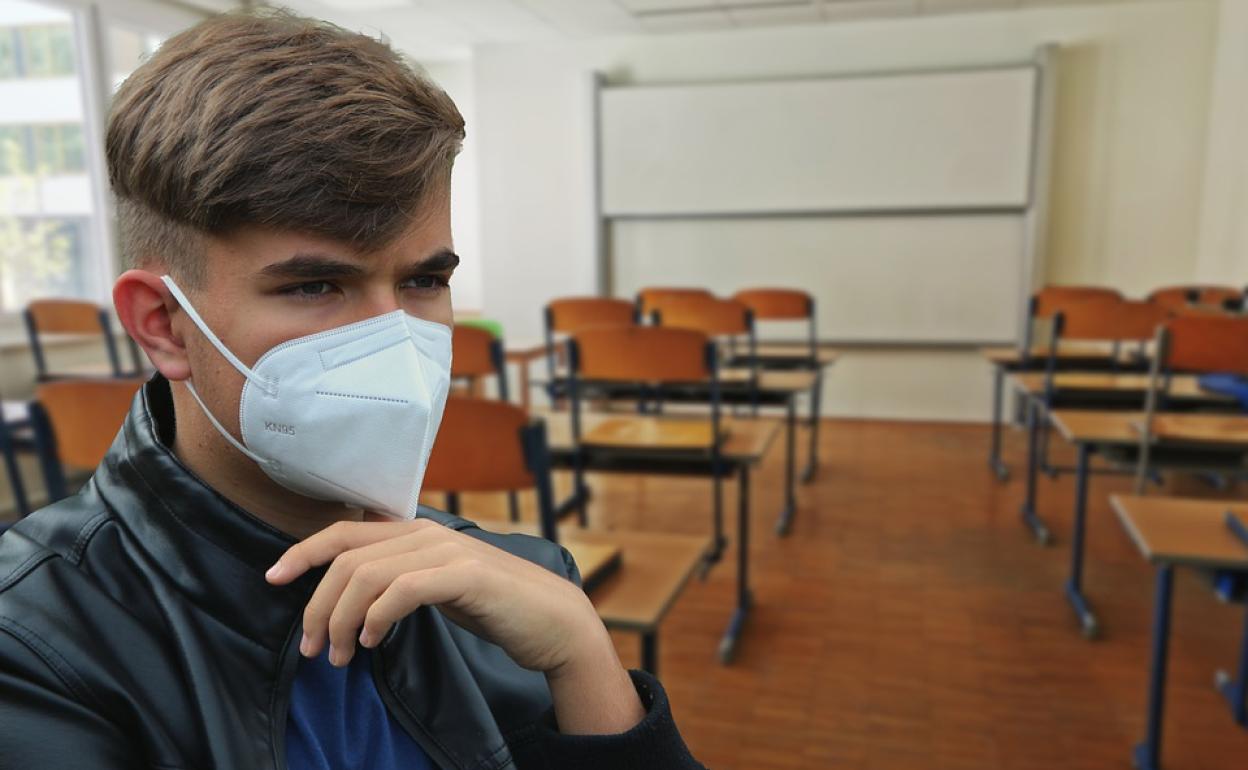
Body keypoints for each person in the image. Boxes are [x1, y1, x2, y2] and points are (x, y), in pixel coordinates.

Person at [0, 11, 704, 769]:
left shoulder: (519, 589)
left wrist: (585, 662)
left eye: (425, 279)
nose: (394, 342)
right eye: (315, 285)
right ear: (165, 324)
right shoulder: (33, 646)